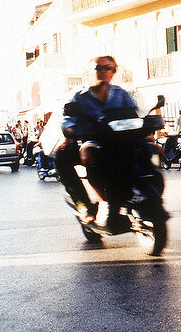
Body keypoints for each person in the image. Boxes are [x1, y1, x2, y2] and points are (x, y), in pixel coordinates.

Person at [56, 55, 140, 224]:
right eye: (98, 68)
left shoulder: (121, 94)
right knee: (64, 157)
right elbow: (67, 120)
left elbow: (135, 115)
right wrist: (71, 131)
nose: (103, 71)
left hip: (119, 142)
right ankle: (85, 205)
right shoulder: (79, 95)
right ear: (91, 71)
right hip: (91, 141)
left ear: (113, 72)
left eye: (108, 68)